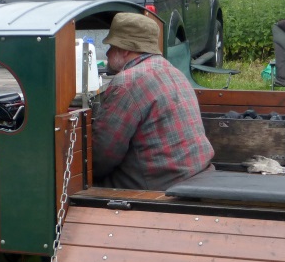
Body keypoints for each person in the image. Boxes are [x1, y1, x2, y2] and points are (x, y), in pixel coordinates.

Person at [91, 12, 214, 190]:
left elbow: (101, 156)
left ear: (125, 49)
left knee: (81, 185)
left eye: (111, 46)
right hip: (196, 172)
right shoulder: (172, 70)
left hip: (162, 184)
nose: (108, 53)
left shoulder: (127, 82)